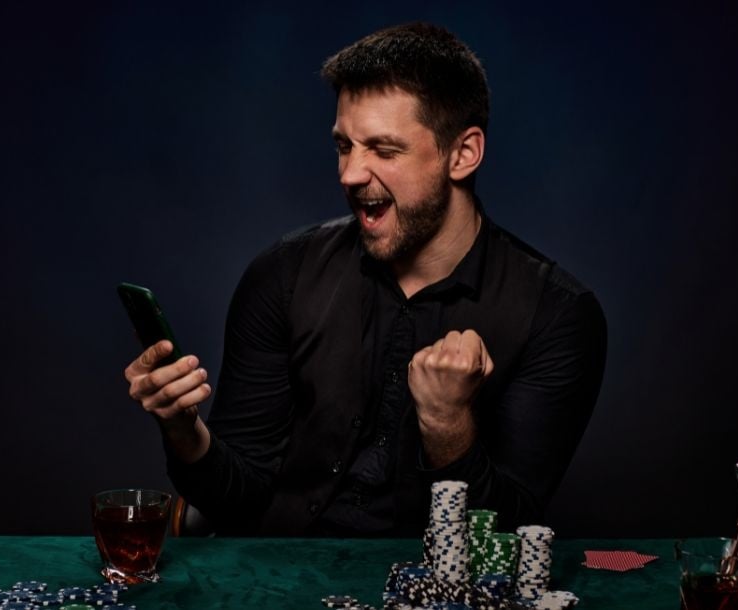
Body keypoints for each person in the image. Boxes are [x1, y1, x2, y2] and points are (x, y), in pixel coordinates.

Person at [124, 21, 607, 536]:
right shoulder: (282, 275)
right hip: (283, 579)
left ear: (462, 154)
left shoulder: (556, 314)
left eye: (383, 149)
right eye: (343, 146)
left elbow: (506, 534)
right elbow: (237, 499)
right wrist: (183, 432)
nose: (350, 174)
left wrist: (448, 426)